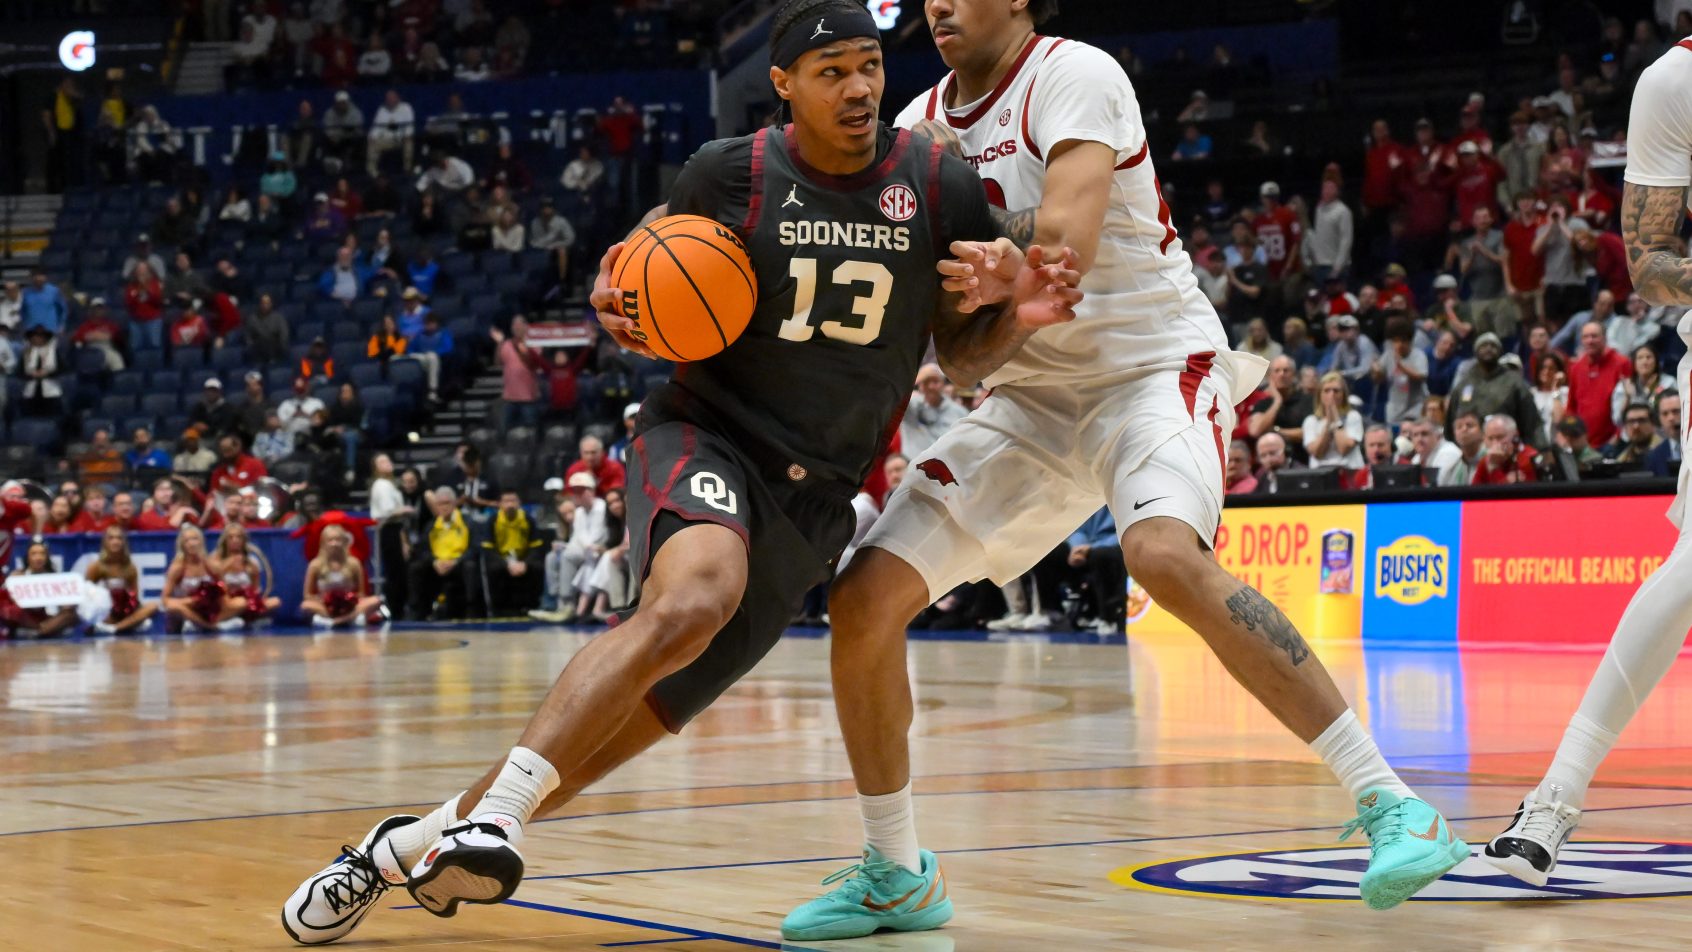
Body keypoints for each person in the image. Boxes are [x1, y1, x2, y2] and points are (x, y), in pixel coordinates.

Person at [279, 3, 1085, 942]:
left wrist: (1015, 319)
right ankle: (496, 821)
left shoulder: (936, 181)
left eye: (869, 65)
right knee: (696, 594)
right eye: (832, 71)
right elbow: (633, 272)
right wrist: (618, 294)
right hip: (706, 435)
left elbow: (963, 352)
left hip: (816, 496)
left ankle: (408, 844)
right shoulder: (728, 170)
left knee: (636, 720)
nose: (861, 87)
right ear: (782, 85)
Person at [529, 471, 606, 623]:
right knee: (553, 556)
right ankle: (555, 601)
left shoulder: (601, 508)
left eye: (581, 490)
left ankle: (567, 604)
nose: (577, 494)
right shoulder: (579, 513)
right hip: (586, 550)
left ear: (591, 490)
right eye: (574, 491)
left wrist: (570, 548)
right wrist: (564, 546)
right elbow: (579, 538)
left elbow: (596, 537)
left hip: (600, 549)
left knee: (567, 555)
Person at [406, 488, 470, 622]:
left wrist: (455, 561)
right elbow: (423, 550)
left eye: (447, 503)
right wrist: (434, 561)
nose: (444, 507)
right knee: (416, 568)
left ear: (454, 504)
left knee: (470, 566)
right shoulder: (431, 525)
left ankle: (470, 611)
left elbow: (474, 548)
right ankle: (417, 613)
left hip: (457, 563)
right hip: (437, 564)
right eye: (440, 504)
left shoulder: (467, 522)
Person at [302, 524, 385, 628]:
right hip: (326, 607)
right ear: (323, 543)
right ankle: (345, 619)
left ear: (345, 542)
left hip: (350, 606)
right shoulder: (315, 565)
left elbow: (361, 593)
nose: (334, 544)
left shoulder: (354, 563)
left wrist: (349, 600)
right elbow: (307, 595)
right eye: (330, 540)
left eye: (338, 540)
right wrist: (324, 600)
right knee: (306, 605)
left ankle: (339, 620)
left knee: (376, 600)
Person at [481, 490, 544, 615]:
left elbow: (536, 547)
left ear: (519, 503)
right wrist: (506, 564)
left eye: (513, 501)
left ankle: (532, 606)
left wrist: (525, 563)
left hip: (522, 559)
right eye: (506, 501)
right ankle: (498, 609)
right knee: (493, 568)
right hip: (501, 559)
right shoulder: (492, 520)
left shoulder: (528, 519)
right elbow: (489, 549)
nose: (510, 504)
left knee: (537, 567)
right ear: (499, 504)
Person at [86, 525, 158, 634]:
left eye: (119, 538)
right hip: (107, 610)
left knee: (153, 606)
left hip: (126, 610)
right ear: (105, 542)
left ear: (124, 542)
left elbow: (135, 595)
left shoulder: (130, 567)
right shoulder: (96, 566)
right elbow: (87, 594)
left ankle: (116, 628)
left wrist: (130, 607)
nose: (115, 542)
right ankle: (129, 625)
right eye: (111, 538)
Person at [212, 522, 280, 627]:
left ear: (244, 540)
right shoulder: (216, 558)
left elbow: (256, 589)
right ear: (225, 540)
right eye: (231, 537)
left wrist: (249, 595)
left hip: (247, 601)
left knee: (275, 602)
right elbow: (212, 583)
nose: (235, 540)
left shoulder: (251, 562)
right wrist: (227, 565)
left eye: (238, 537)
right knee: (239, 603)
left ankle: (240, 619)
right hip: (224, 601)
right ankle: (219, 622)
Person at [161, 525, 227, 632]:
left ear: (201, 541)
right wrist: (190, 601)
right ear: (183, 545)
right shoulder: (177, 567)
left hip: (208, 607)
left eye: (195, 539)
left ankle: (216, 621)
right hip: (187, 607)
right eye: (187, 541)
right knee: (173, 607)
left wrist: (210, 598)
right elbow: (165, 600)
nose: (192, 543)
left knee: (240, 602)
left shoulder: (211, 564)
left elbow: (224, 590)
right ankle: (207, 626)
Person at [899, 363, 968, 455]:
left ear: (943, 384)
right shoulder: (910, 405)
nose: (931, 386)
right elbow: (896, 390)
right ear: (919, 385)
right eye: (926, 382)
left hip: (945, 465)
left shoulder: (959, 412)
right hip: (911, 464)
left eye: (935, 381)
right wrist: (916, 378)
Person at [492, 317, 545, 435]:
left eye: (519, 325)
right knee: (505, 430)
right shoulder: (506, 345)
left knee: (531, 430)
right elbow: (497, 362)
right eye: (514, 325)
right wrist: (499, 343)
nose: (516, 328)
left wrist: (525, 351)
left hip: (529, 398)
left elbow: (537, 364)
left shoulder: (534, 344)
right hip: (509, 397)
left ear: (526, 327)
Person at [1303, 371, 1365, 468]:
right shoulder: (1311, 421)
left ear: (1343, 395)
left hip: (1349, 472)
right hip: (1320, 474)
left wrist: (1335, 418)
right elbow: (1316, 452)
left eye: (1336, 391)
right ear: (1320, 395)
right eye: (1327, 390)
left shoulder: (1353, 416)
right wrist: (1328, 423)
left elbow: (1344, 449)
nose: (1331, 395)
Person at [1612, 345, 1673, 431]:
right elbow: (1618, 421)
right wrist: (1628, 397)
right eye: (1640, 358)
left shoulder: (1668, 383)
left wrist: (1650, 393)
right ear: (1634, 363)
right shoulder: (1624, 386)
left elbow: (1659, 418)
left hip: (1661, 433)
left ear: (1656, 361)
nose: (1645, 361)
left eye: (1649, 357)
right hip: (1632, 435)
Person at [1471, 414, 1538, 484]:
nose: (1495, 443)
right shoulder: (1487, 460)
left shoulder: (1529, 458)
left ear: (1515, 436)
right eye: (1490, 438)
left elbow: (1508, 494)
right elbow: (1473, 492)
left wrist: (1494, 468)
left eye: (1500, 437)